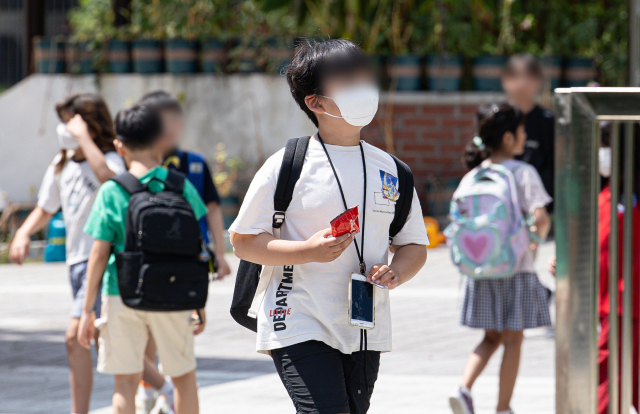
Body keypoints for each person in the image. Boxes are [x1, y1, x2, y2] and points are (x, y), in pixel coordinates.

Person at [230, 38, 429, 414]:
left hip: (363, 324)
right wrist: (307, 252)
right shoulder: (287, 165)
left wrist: (397, 272)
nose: (363, 87)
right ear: (315, 102)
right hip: (297, 317)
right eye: (347, 80)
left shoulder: (393, 171)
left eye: (364, 77)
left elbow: (414, 244)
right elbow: (243, 241)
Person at [77, 105, 207, 414]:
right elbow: (196, 245)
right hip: (175, 292)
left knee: (125, 381)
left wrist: (86, 310)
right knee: (184, 377)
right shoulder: (181, 185)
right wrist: (197, 302)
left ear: (119, 145)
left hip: (121, 293)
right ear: (162, 141)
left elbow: (98, 253)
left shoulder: (112, 191)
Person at [9, 93, 126, 414]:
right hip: (76, 262)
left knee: (76, 337)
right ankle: (160, 385)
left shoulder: (109, 157)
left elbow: (109, 181)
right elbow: (47, 207)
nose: (65, 129)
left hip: (103, 259)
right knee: (101, 338)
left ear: (89, 124)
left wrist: (84, 139)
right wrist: (22, 232)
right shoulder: (61, 164)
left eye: (70, 121)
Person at [449, 103, 552, 414]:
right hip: (515, 268)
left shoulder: (474, 175)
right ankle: (503, 408)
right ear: (509, 138)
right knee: (513, 341)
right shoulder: (523, 171)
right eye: (521, 132)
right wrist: (533, 241)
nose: (524, 137)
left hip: (480, 269)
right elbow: (541, 218)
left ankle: (463, 389)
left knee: (490, 337)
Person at [136, 91, 231, 279]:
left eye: (173, 119)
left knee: (193, 302)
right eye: (160, 121)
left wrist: (219, 254)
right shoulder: (138, 167)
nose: (167, 127)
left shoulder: (196, 164)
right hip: (150, 253)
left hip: (193, 251)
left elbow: (211, 208)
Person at [501, 53, 555, 212]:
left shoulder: (548, 121)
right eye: (516, 76)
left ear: (538, 81)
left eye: (528, 77)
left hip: (541, 208)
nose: (522, 83)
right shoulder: (498, 119)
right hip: (503, 206)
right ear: (505, 80)